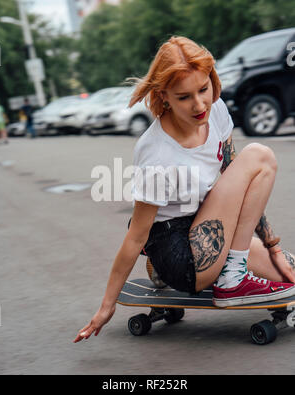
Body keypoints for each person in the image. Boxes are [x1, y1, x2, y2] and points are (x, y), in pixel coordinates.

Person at [74, 36, 295, 342]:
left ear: (211, 80)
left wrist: (272, 248)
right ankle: (227, 277)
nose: (199, 104)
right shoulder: (155, 152)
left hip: (206, 224)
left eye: (203, 89)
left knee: (290, 272)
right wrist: (106, 306)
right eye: (183, 97)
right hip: (181, 253)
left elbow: (244, 187)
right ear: (163, 96)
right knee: (260, 155)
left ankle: (193, 269)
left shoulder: (216, 112)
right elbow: (136, 234)